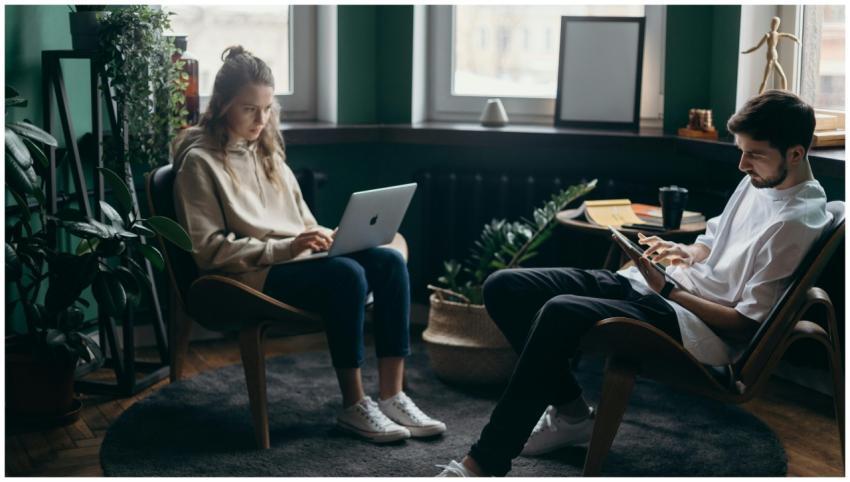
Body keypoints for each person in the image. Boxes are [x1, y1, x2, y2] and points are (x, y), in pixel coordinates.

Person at [436, 89, 831, 476]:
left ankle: (483, 464)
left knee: (559, 312)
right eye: (741, 151)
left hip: (692, 325)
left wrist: (667, 289)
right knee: (505, 287)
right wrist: (683, 253)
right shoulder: (759, 179)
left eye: (755, 155)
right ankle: (573, 415)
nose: (742, 164)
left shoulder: (794, 222)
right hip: (662, 290)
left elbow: (745, 324)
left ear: (797, 153)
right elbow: (714, 242)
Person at [172, 46, 445, 444]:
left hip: (292, 262)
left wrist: (328, 237)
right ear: (223, 105)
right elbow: (210, 251)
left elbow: (300, 224)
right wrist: (287, 248)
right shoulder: (199, 164)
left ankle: (393, 395)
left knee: (388, 262)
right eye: (249, 109)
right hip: (249, 276)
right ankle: (354, 405)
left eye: (267, 108)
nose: (261, 120)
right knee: (346, 275)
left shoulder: (269, 155)